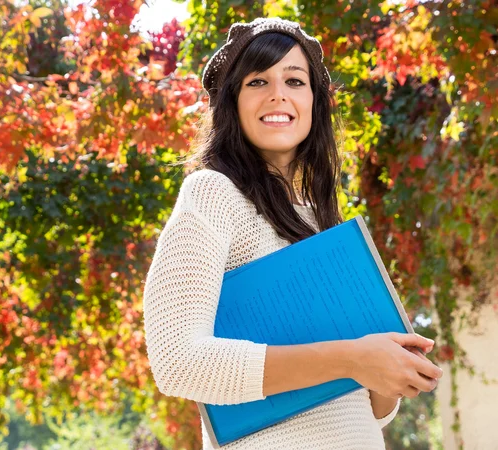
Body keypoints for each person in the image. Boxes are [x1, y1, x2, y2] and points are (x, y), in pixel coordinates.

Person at [142, 16, 443, 449]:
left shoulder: (324, 224)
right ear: (232, 103)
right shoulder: (212, 194)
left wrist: (389, 367)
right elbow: (178, 361)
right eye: (257, 82)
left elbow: (365, 410)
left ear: (315, 102)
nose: (278, 94)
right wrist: (353, 357)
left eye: (295, 81)